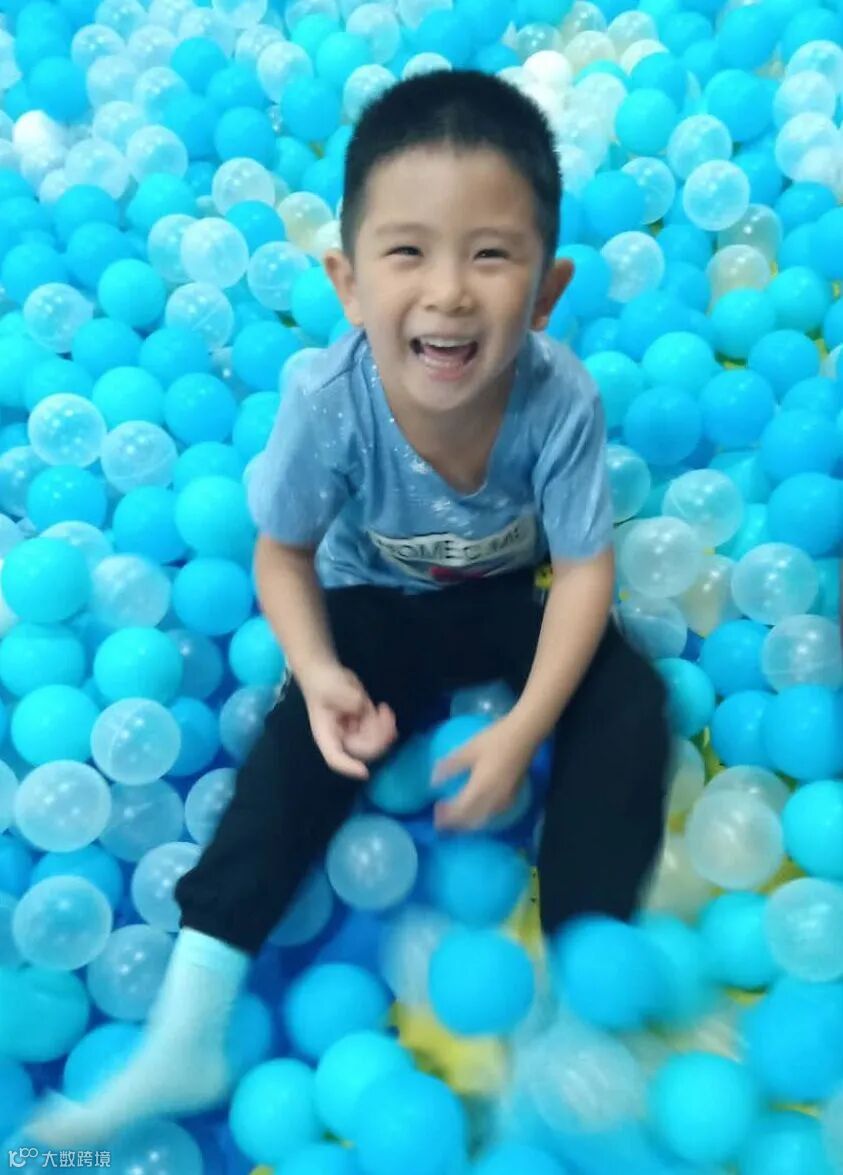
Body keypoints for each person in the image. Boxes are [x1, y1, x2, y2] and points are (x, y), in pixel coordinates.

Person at [28, 68, 670, 1148]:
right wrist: (322, 673)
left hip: (508, 597)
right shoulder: (327, 401)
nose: (449, 292)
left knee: (629, 694)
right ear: (349, 282)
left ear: (546, 290)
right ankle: (190, 1022)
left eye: (491, 255)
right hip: (375, 605)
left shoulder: (560, 397)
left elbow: (583, 573)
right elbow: (281, 556)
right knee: (302, 733)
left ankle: (579, 989)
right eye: (408, 252)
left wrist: (522, 728)